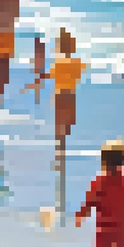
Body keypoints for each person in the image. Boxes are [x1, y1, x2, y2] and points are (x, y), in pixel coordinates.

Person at [30, 28, 85, 167]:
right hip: (70, 95)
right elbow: (79, 74)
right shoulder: (76, 62)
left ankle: (59, 148)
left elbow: (51, 75)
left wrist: (40, 77)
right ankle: (62, 147)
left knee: (59, 123)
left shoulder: (58, 63)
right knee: (68, 122)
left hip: (59, 95)